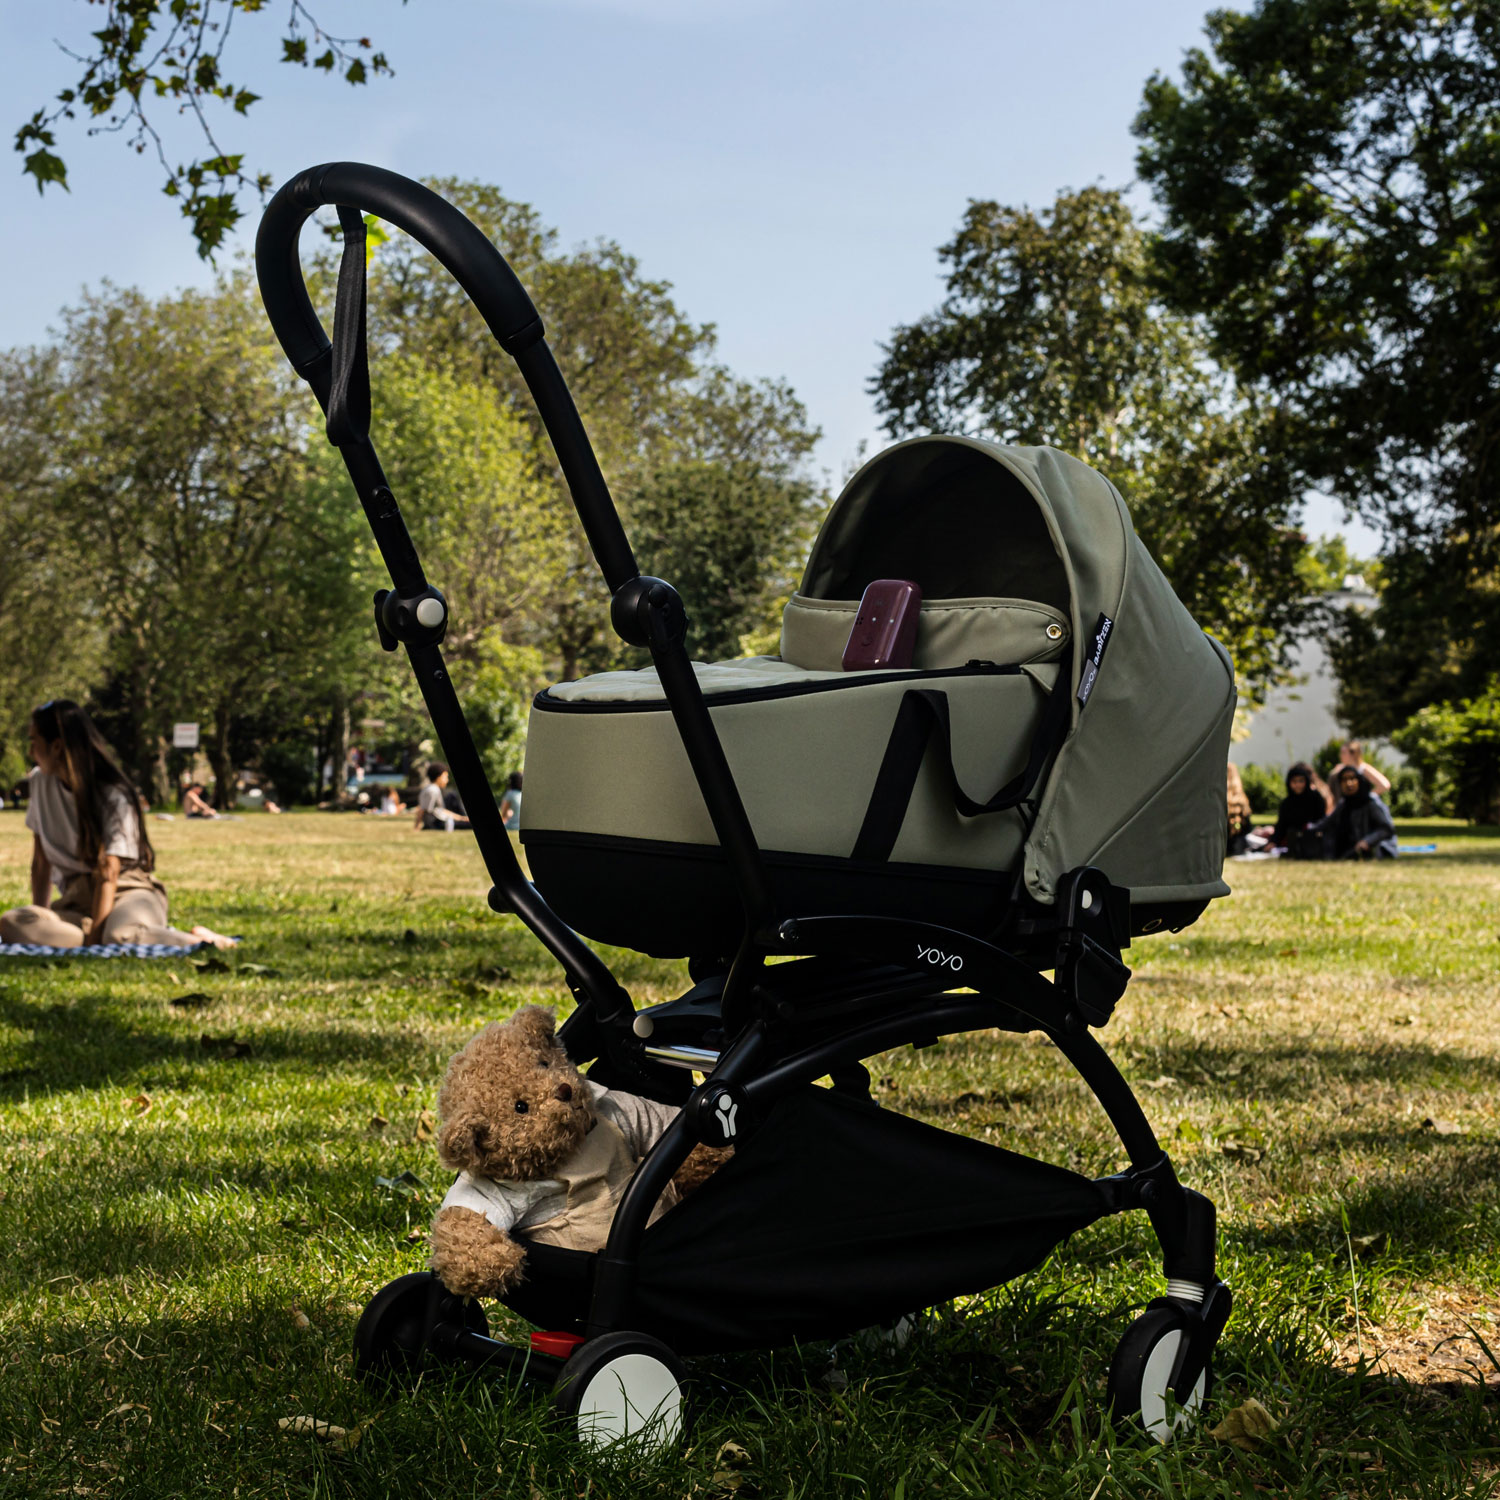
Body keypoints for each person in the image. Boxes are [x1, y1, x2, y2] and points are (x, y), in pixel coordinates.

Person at [0, 700, 236, 949]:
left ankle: (206, 941)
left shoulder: (112, 792)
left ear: (56, 746)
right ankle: (117, 934)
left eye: (34, 741)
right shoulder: (40, 783)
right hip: (77, 900)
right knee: (11, 923)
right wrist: (40, 920)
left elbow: (108, 872)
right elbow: (41, 863)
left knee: (117, 936)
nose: (30, 752)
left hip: (128, 892)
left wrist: (96, 938)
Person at [1310, 762, 1399, 859]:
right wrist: (1308, 829)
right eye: (1344, 780)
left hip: (1369, 849)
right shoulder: (1343, 804)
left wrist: (1367, 841)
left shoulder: (1369, 803)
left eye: (1352, 778)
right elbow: (1327, 823)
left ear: (1359, 781)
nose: (1349, 783)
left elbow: (1386, 829)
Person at [1255, 761, 1328, 849]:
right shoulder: (1287, 803)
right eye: (1294, 781)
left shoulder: (1315, 798)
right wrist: (1273, 842)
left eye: (1301, 781)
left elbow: (1322, 821)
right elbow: (1281, 826)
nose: (1297, 785)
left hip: (1313, 841)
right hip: (1293, 843)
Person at [414, 762, 470, 832]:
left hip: (436, 822)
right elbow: (422, 809)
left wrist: (461, 818)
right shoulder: (432, 790)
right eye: (446, 777)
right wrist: (416, 827)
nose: (447, 780)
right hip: (436, 823)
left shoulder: (431, 788)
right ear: (438, 777)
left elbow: (440, 810)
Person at [1226, 763, 1253, 856]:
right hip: (1238, 848)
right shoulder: (1242, 800)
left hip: (1220, 847)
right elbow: (1248, 828)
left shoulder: (1215, 800)